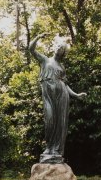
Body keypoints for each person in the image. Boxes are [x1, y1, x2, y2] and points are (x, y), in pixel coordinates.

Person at [29, 33, 86, 163]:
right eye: (58, 47)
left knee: (60, 123)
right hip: (49, 97)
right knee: (49, 121)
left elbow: (65, 84)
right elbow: (31, 49)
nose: (58, 49)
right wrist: (38, 37)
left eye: (61, 49)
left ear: (63, 53)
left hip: (62, 97)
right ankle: (49, 148)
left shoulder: (61, 67)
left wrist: (76, 95)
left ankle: (55, 151)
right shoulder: (45, 60)